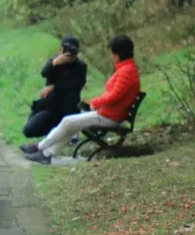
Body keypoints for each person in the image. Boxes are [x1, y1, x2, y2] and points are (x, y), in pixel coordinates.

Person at [24, 35, 140, 165]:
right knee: (71, 124)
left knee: (68, 121)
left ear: (117, 55)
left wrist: (94, 103)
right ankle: (46, 154)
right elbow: (45, 72)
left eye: (112, 54)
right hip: (108, 113)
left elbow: (114, 96)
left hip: (110, 117)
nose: (111, 57)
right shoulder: (127, 69)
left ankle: (40, 148)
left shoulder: (126, 72)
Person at [20, 36, 87, 153]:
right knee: (29, 130)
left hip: (68, 109)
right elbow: (44, 73)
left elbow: (76, 85)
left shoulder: (80, 66)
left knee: (70, 96)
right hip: (51, 106)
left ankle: (70, 134)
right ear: (61, 49)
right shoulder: (54, 62)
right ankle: (54, 133)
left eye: (73, 51)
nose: (69, 54)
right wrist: (54, 63)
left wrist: (54, 87)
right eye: (67, 49)